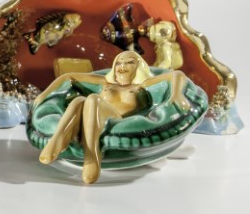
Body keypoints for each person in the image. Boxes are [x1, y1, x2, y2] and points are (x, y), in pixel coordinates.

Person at [34, 50, 191, 184]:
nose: (122, 66)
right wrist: (44, 94)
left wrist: (177, 96)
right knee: (79, 101)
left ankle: (92, 155)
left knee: (93, 99)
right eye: (118, 63)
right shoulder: (104, 82)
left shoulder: (142, 85)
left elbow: (177, 75)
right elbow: (68, 77)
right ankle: (57, 140)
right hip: (93, 115)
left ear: (138, 67)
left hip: (116, 118)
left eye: (129, 62)